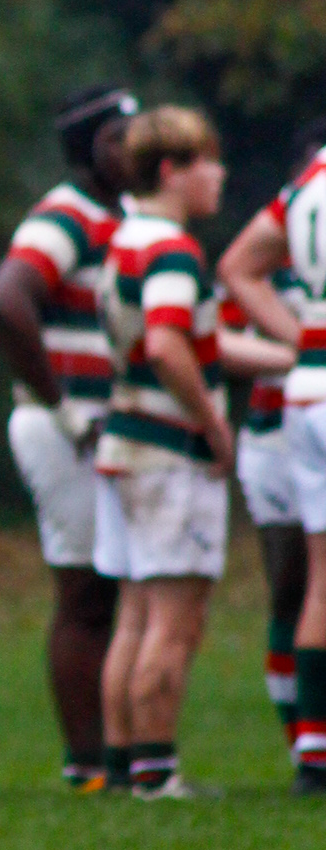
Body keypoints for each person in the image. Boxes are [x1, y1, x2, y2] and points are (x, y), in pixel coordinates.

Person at [93, 107, 284, 797]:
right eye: (209, 161)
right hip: (169, 452)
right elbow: (169, 346)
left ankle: (124, 766)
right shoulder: (173, 250)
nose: (220, 175)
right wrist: (213, 425)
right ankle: (159, 773)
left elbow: (193, 339)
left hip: (125, 444)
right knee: (176, 618)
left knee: (136, 613)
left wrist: (291, 355)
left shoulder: (126, 240)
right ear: (172, 171)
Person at [0, 86, 136, 789]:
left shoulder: (122, 217)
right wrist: (64, 406)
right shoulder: (65, 216)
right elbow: (5, 299)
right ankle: (89, 765)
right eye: (118, 138)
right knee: (85, 593)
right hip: (65, 427)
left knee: (112, 590)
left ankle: (118, 755)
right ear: (89, 148)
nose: (134, 149)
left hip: (104, 426)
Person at [219, 124, 326, 792]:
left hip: (305, 397)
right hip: (282, 421)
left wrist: (304, 342)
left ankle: (313, 748)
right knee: (301, 582)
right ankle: (308, 742)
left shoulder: (305, 193)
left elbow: (235, 266)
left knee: (317, 580)